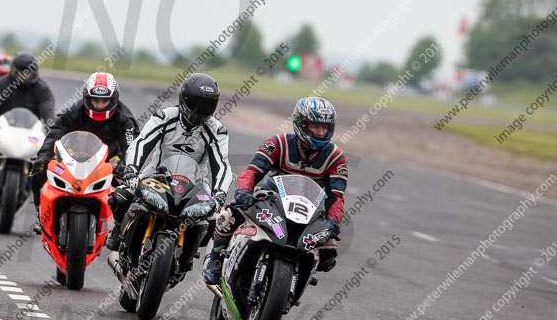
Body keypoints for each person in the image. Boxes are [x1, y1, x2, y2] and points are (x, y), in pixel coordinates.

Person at [202, 96, 347, 285]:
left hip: (309, 212)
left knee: (329, 252)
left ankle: (302, 275)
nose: (321, 132)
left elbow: (337, 197)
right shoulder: (279, 143)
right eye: (315, 126)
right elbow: (251, 172)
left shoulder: (336, 157)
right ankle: (216, 259)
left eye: (325, 127)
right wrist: (244, 192)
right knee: (229, 213)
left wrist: (333, 221)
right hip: (271, 201)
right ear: (301, 123)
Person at [106, 73, 232, 279]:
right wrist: (131, 170)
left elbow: (222, 165)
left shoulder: (217, 130)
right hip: (156, 176)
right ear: (184, 99)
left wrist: (220, 194)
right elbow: (141, 143)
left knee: (212, 220)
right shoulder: (164, 117)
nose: (198, 111)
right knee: (121, 196)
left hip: (195, 184)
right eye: (195, 104)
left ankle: (186, 259)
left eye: (206, 106)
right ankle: (118, 233)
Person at [29, 72, 140, 232]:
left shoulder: (125, 118)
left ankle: (120, 230)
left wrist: (127, 166)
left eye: (105, 101)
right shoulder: (74, 110)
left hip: (109, 161)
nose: (100, 105)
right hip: (74, 156)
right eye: (95, 100)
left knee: (132, 184)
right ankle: (41, 215)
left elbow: (132, 146)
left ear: (114, 99)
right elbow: (55, 133)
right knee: (38, 169)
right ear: (87, 97)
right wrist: (44, 156)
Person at [0, 52, 55, 187]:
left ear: (35, 72)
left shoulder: (42, 89)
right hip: (1, 127)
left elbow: (49, 111)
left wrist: (52, 130)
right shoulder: (3, 83)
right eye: (22, 72)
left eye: (29, 73)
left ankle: (35, 186)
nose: (25, 76)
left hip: (30, 131)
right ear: (14, 71)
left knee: (46, 158)